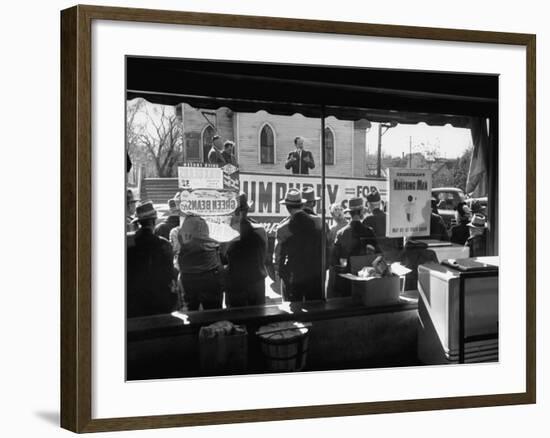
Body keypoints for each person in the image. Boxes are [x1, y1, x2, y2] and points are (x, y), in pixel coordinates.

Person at [127, 202, 178, 318]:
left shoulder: (128, 243)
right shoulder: (164, 245)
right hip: (160, 302)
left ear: (138, 223)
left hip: (135, 303)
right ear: (154, 221)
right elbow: (169, 275)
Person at [221, 193, 268, 307]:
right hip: (257, 282)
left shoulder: (227, 232)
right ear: (247, 210)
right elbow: (264, 255)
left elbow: (222, 258)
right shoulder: (260, 230)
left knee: (236, 321)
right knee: (258, 320)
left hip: (235, 284)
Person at [177, 215, 223, 310]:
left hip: (189, 276)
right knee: (213, 313)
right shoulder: (202, 223)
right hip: (209, 275)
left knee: (192, 311)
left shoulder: (185, 225)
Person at [280, 208, 324, 302]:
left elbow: (282, 259)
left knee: (295, 307)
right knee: (315, 307)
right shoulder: (319, 235)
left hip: (296, 277)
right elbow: (326, 254)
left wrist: (283, 274)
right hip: (315, 277)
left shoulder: (290, 239)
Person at [273, 189, 306, 300]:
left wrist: (279, 272)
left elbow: (278, 254)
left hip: (291, 274)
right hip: (312, 273)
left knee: (290, 305)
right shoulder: (316, 222)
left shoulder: (282, 228)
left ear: (287, 207)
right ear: (301, 205)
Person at [332, 197, 381, 269]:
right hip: (364, 276)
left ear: (349, 213)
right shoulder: (369, 232)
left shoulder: (341, 233)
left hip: (346, 275)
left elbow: (334, 259)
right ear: (361, 212)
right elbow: (378, 256)